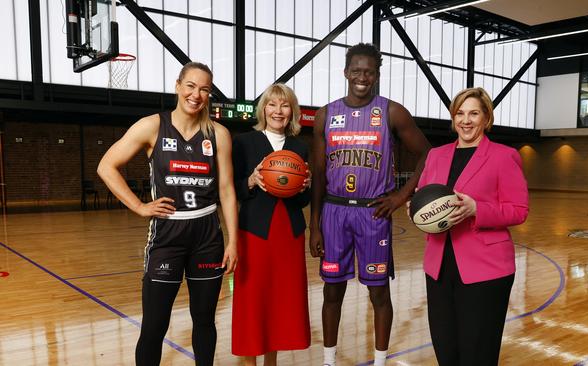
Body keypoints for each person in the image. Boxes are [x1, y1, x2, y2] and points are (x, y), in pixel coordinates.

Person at [97, 62, 238, 366]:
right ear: (178, 86)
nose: (196, 94)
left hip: (207, 236)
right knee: (154, 326)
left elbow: (226, 190)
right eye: (190, 85)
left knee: (204, 321)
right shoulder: (152, 126)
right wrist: (139, 206)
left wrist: (233, 242)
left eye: (204, 89)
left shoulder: (219, 135)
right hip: (167, 236)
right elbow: (106, 166)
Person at [309, 43, 431, 366]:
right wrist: (314, 225)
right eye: (357, 70)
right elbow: (319, 175)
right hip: (334, 213)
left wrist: (402, 195)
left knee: (378, 293)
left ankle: (379, 361)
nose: (362, 76)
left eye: (369, 71)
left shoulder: (391, 112)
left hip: (373, 213)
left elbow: (428, 153)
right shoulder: (326, 114)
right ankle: (328, 361)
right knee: (332, 291)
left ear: (376, 75)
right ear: (346, 72)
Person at [414, 87, 529, 366]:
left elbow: (519, 210)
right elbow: (424, 197)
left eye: (474, 113)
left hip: (486, 270)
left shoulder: (504, 156)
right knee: (446, 348)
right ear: (453, 118)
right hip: (439, 265)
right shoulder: (436, 155)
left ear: (486, 118)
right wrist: (415, 210)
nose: (466, 120)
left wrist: (477, 209)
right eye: (460, 113)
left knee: (478, 352)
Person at [231, 83, 311, 366]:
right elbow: (231, 189)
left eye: (285, 105)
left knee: (279, 302)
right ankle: (249, 362)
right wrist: (251, 181)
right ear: (263, 109)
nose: (278, 111)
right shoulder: (243, 142)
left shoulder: (300, 147)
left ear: (292, 112)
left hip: (289, 233)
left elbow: (304, 202)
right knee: (253, 300)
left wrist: (304, 188)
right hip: (254, 232)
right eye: (272, 104)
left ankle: (271, 363)